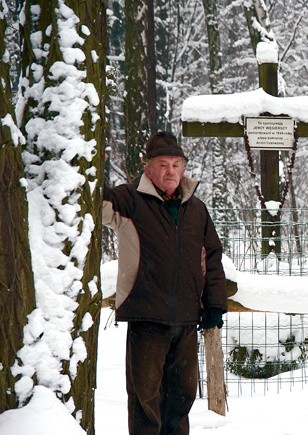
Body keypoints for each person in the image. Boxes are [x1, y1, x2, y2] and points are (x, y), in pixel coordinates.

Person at [103, 131, 227, 434]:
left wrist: (214, 305)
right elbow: (97, 205)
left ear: (183, 168)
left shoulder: (196, 209)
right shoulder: (129, 199)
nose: (169, 171)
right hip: (147, 317)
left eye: (175, 164)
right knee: (145, 398)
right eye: (162, 164)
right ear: (148, 168)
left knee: (181, 397)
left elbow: (211, 257)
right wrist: (96, 171)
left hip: (186, 320)